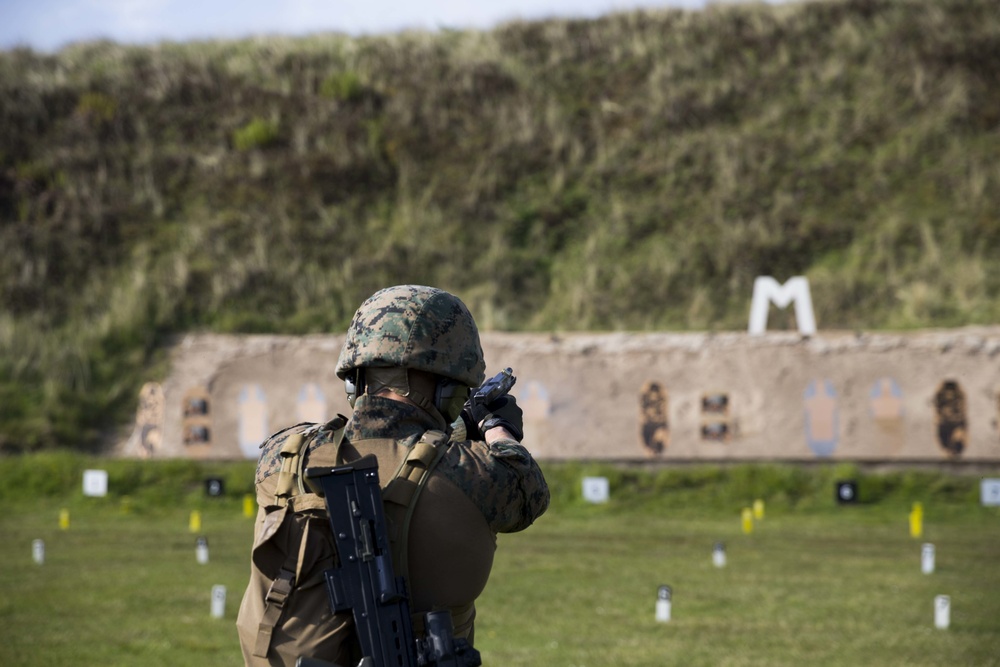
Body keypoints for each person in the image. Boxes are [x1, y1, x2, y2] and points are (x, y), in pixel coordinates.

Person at [237, 284, 550, 666]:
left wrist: (452, 430)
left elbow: (382, 441)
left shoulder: (282, 456)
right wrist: (494, 426)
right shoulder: (477, 474)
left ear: (354, 381)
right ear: (448, 390)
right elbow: (526, 486)